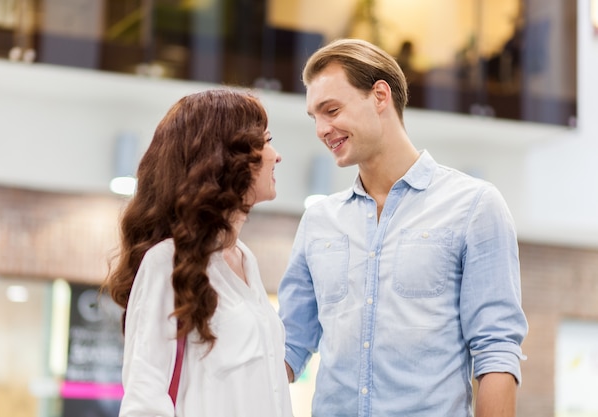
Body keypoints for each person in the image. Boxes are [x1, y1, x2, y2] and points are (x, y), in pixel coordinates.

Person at [277, 38, 528, 417]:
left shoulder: (474, 206)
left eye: (331, 110)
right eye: (314, 117)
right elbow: (287, 347)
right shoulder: (318, 221)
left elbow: (495, 350)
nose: (321, 129)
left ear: (380, 96)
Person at [104, 89, 293, 417]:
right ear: (226, 157)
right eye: (265, 141)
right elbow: (145, 401)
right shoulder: (166, 262)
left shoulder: (246, 259)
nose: (276, 155)